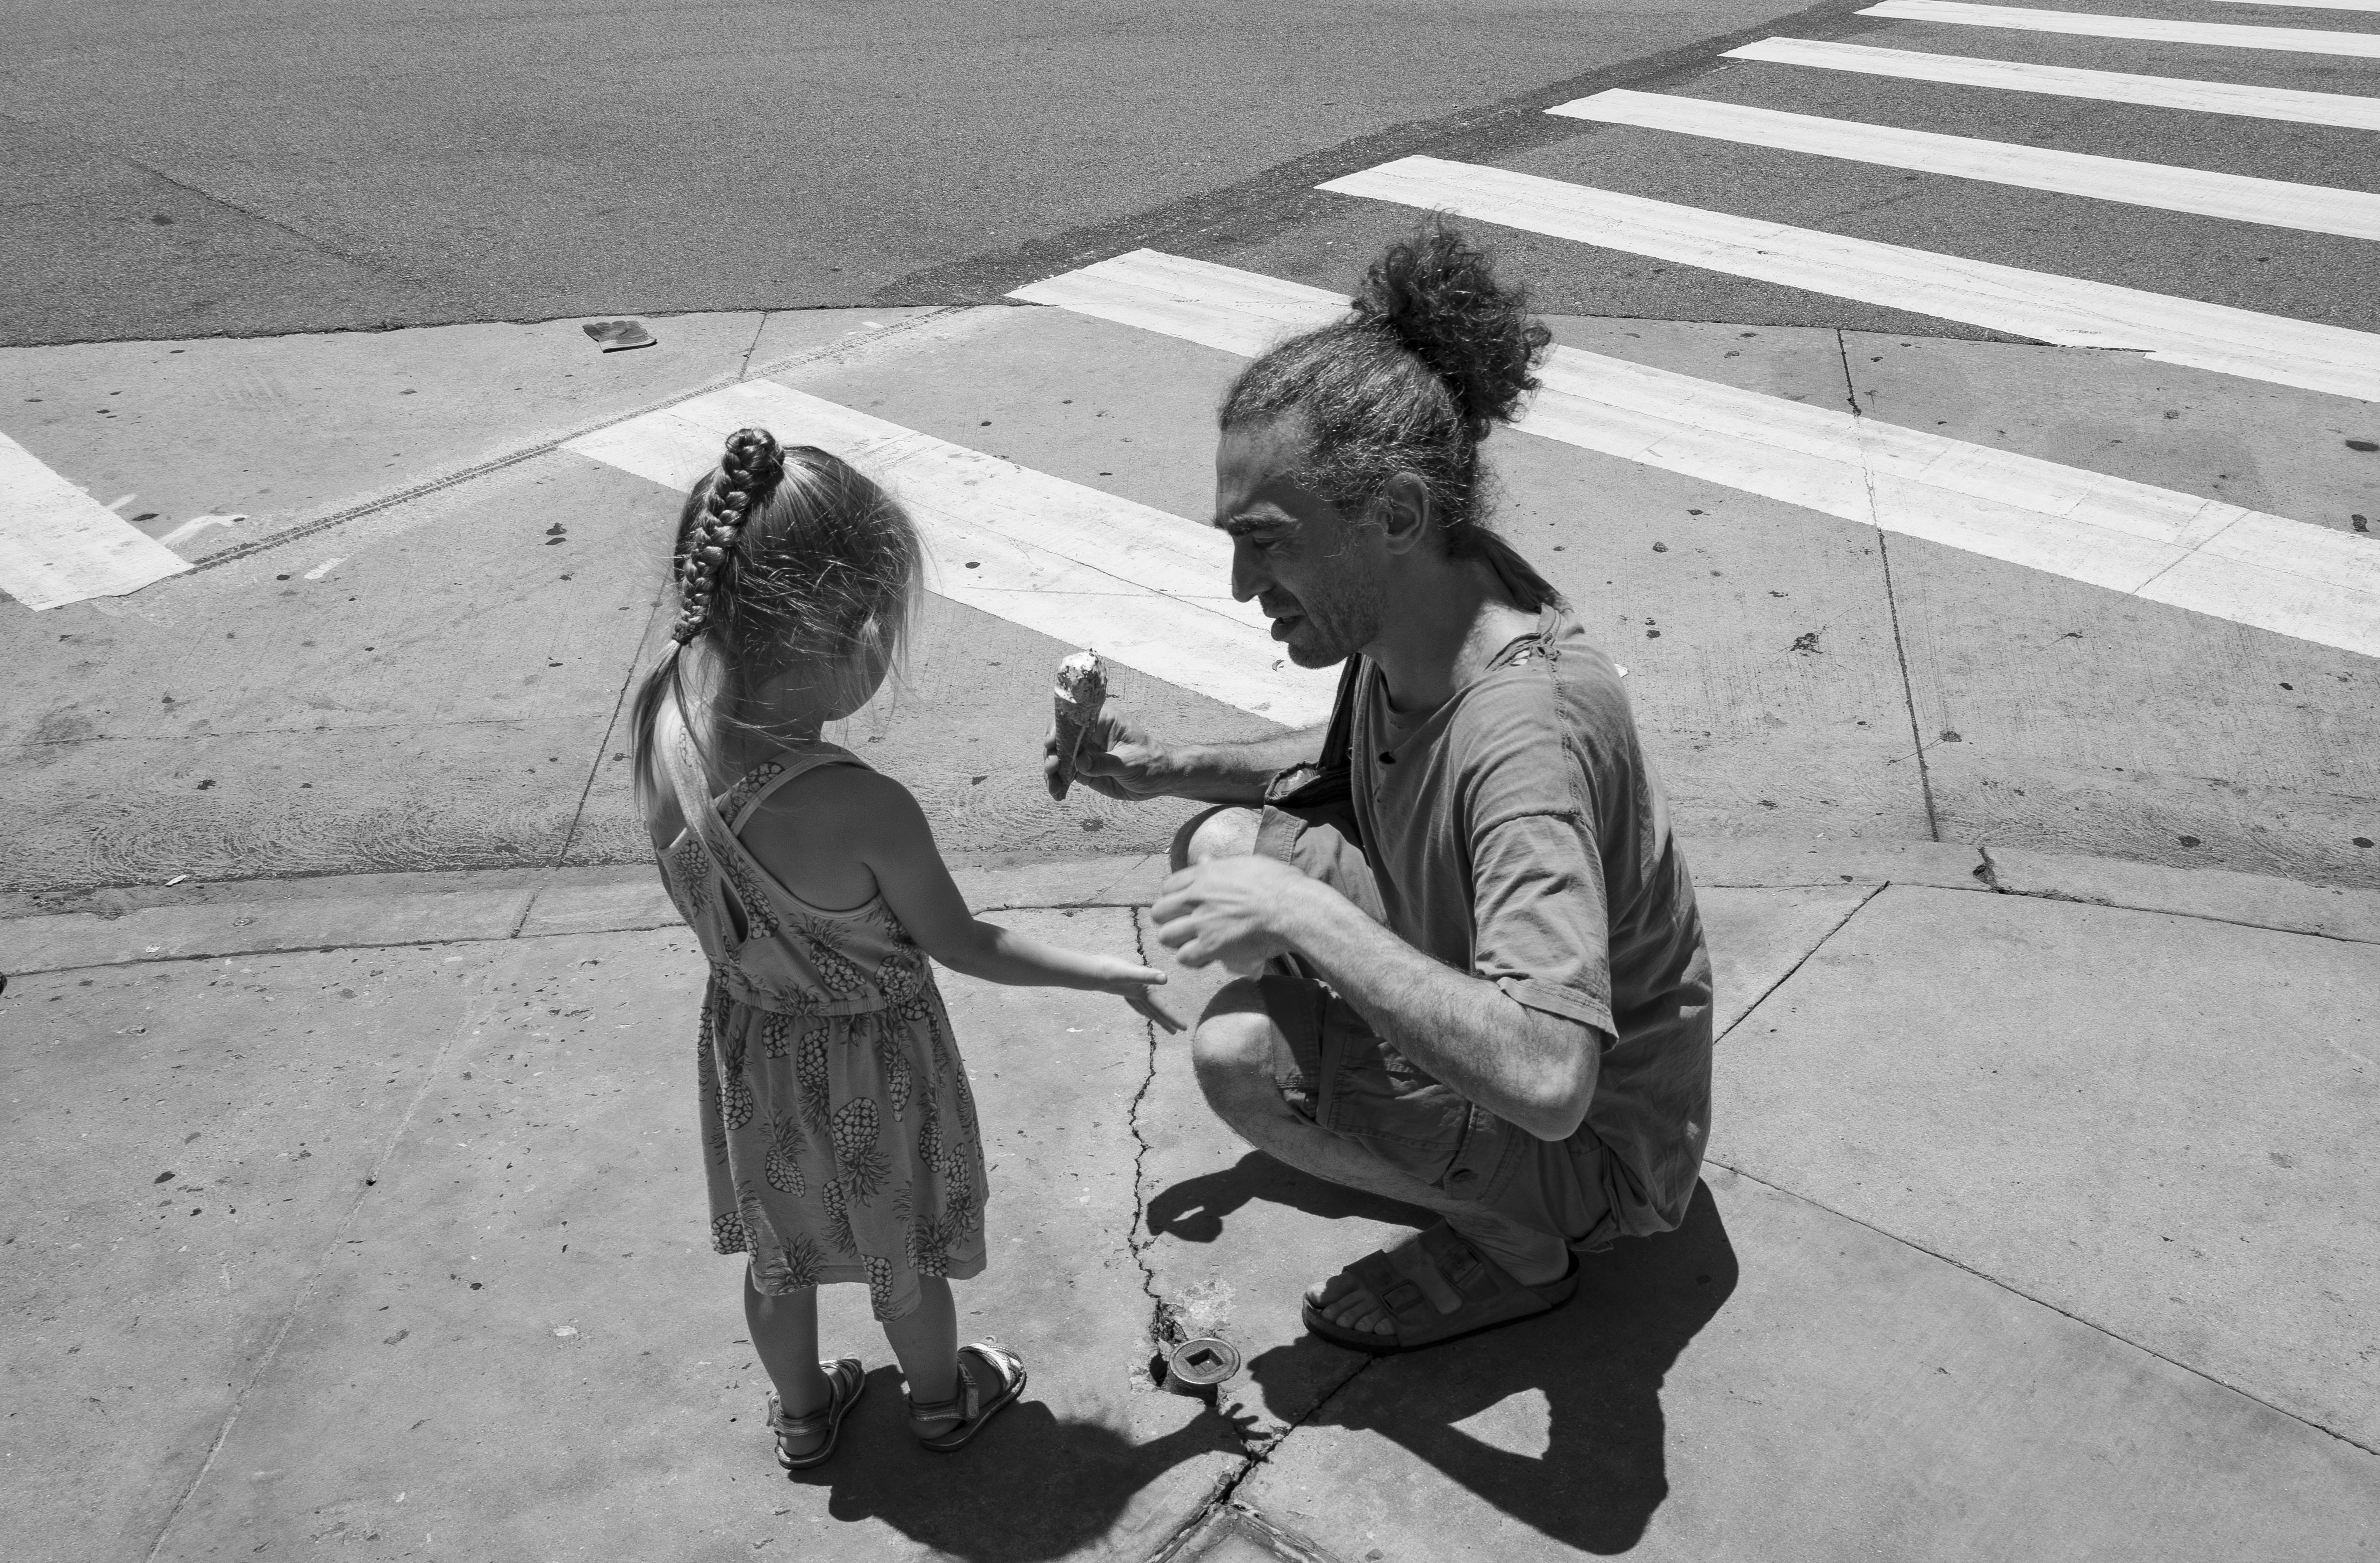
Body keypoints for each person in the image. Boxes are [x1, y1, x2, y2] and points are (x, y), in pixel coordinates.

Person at [1050, 223, 1714, 1354]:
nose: (1240, 583)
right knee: (1215, 844)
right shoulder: (1429, 605)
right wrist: (1156, 768)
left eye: (1268, 542)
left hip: (1600, 1146)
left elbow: (1550, 1076)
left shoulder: (1527, 738)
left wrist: (1304, 914)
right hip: (1461, 945)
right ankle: (1395, 1084)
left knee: (1237, 1061)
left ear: (1396, 513)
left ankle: (1516, 1245)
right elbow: (1363, 769)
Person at [631, 427, 1173, 1466]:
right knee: (901, 1256)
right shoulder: (862, 806)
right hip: (876, 1069)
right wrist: (1104, 970)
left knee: (778, 1256)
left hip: (753, 1056)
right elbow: (965, 941)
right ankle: (939, 1400)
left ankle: (802, 1415)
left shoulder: (665, 732)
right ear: (853, 631)